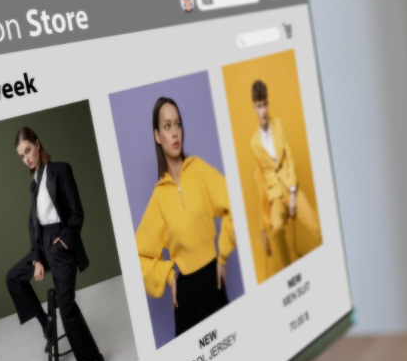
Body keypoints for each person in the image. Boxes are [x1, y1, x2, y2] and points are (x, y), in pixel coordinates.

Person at [5, 127, 106, 361]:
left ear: (37, 145)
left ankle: (95, 359)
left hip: (61, 244)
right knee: (13, 278)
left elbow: (77, 213)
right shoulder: (34, 184)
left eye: (28, 150)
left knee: (67, 306)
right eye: (21, 155)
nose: (26, 158)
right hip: (43, 245)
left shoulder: (61, 170)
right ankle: (46, 324)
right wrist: (37, 259)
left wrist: (63, 242)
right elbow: (34, 226)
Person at [135, 97, 236, 337]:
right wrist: (169, 277)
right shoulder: (159, 197)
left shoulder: (199, 170)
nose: (175, 132)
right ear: (157, 135)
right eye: (167, 126)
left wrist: (222, 257)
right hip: (186, 294)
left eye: (178, 124)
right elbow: (137, 255)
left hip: (214, 283)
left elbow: (234, 202)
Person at [248, 79, 317, 276]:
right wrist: (263, 230)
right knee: (277, 231)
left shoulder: (278, 125)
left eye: (265, 105)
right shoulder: (254, 144)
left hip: (290, 187)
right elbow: (259, 183)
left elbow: (290, 158)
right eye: (259, 106)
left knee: (314, 225)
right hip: (275, 197)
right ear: (254, 108)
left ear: (268, 104)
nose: (263, 111)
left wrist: (294, 193)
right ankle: (292, 275)